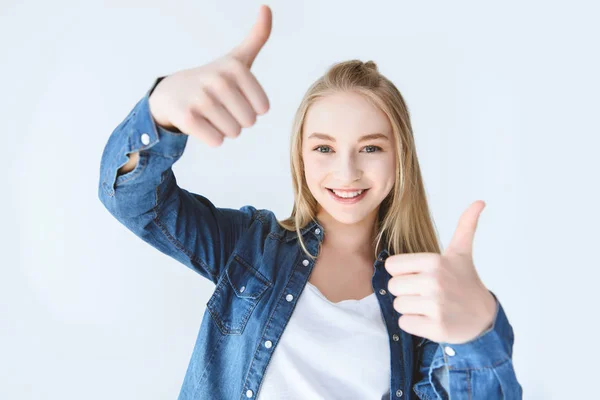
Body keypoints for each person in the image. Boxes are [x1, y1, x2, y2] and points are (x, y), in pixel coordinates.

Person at [98, 4, 522, 399]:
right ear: (300, 156)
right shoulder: (250, 247)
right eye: (324, 149)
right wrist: (160, 113)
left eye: (371, 148)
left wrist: (480, 336)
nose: (347, 172)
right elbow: (134, 203)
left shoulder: (423, 299)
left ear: (400, 158)